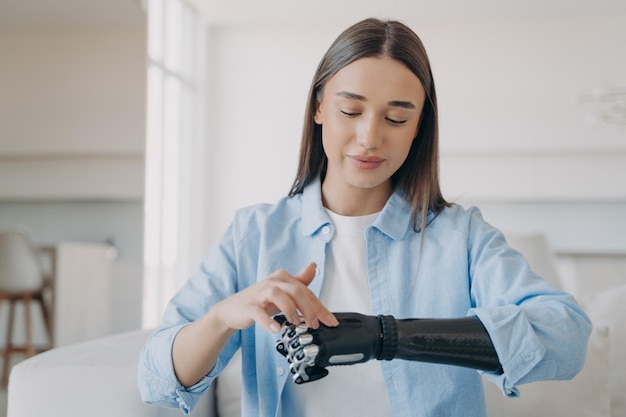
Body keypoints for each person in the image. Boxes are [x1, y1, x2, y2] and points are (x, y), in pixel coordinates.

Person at [137, 17, 592, 417]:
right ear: (318, 107)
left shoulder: (461, 236)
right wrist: (221, 316)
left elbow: (565, 336)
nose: (369, 137)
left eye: (396, 119)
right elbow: (156, 379)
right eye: (350, 111)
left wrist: (385, 336)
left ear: (419, 128)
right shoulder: (253, 235)